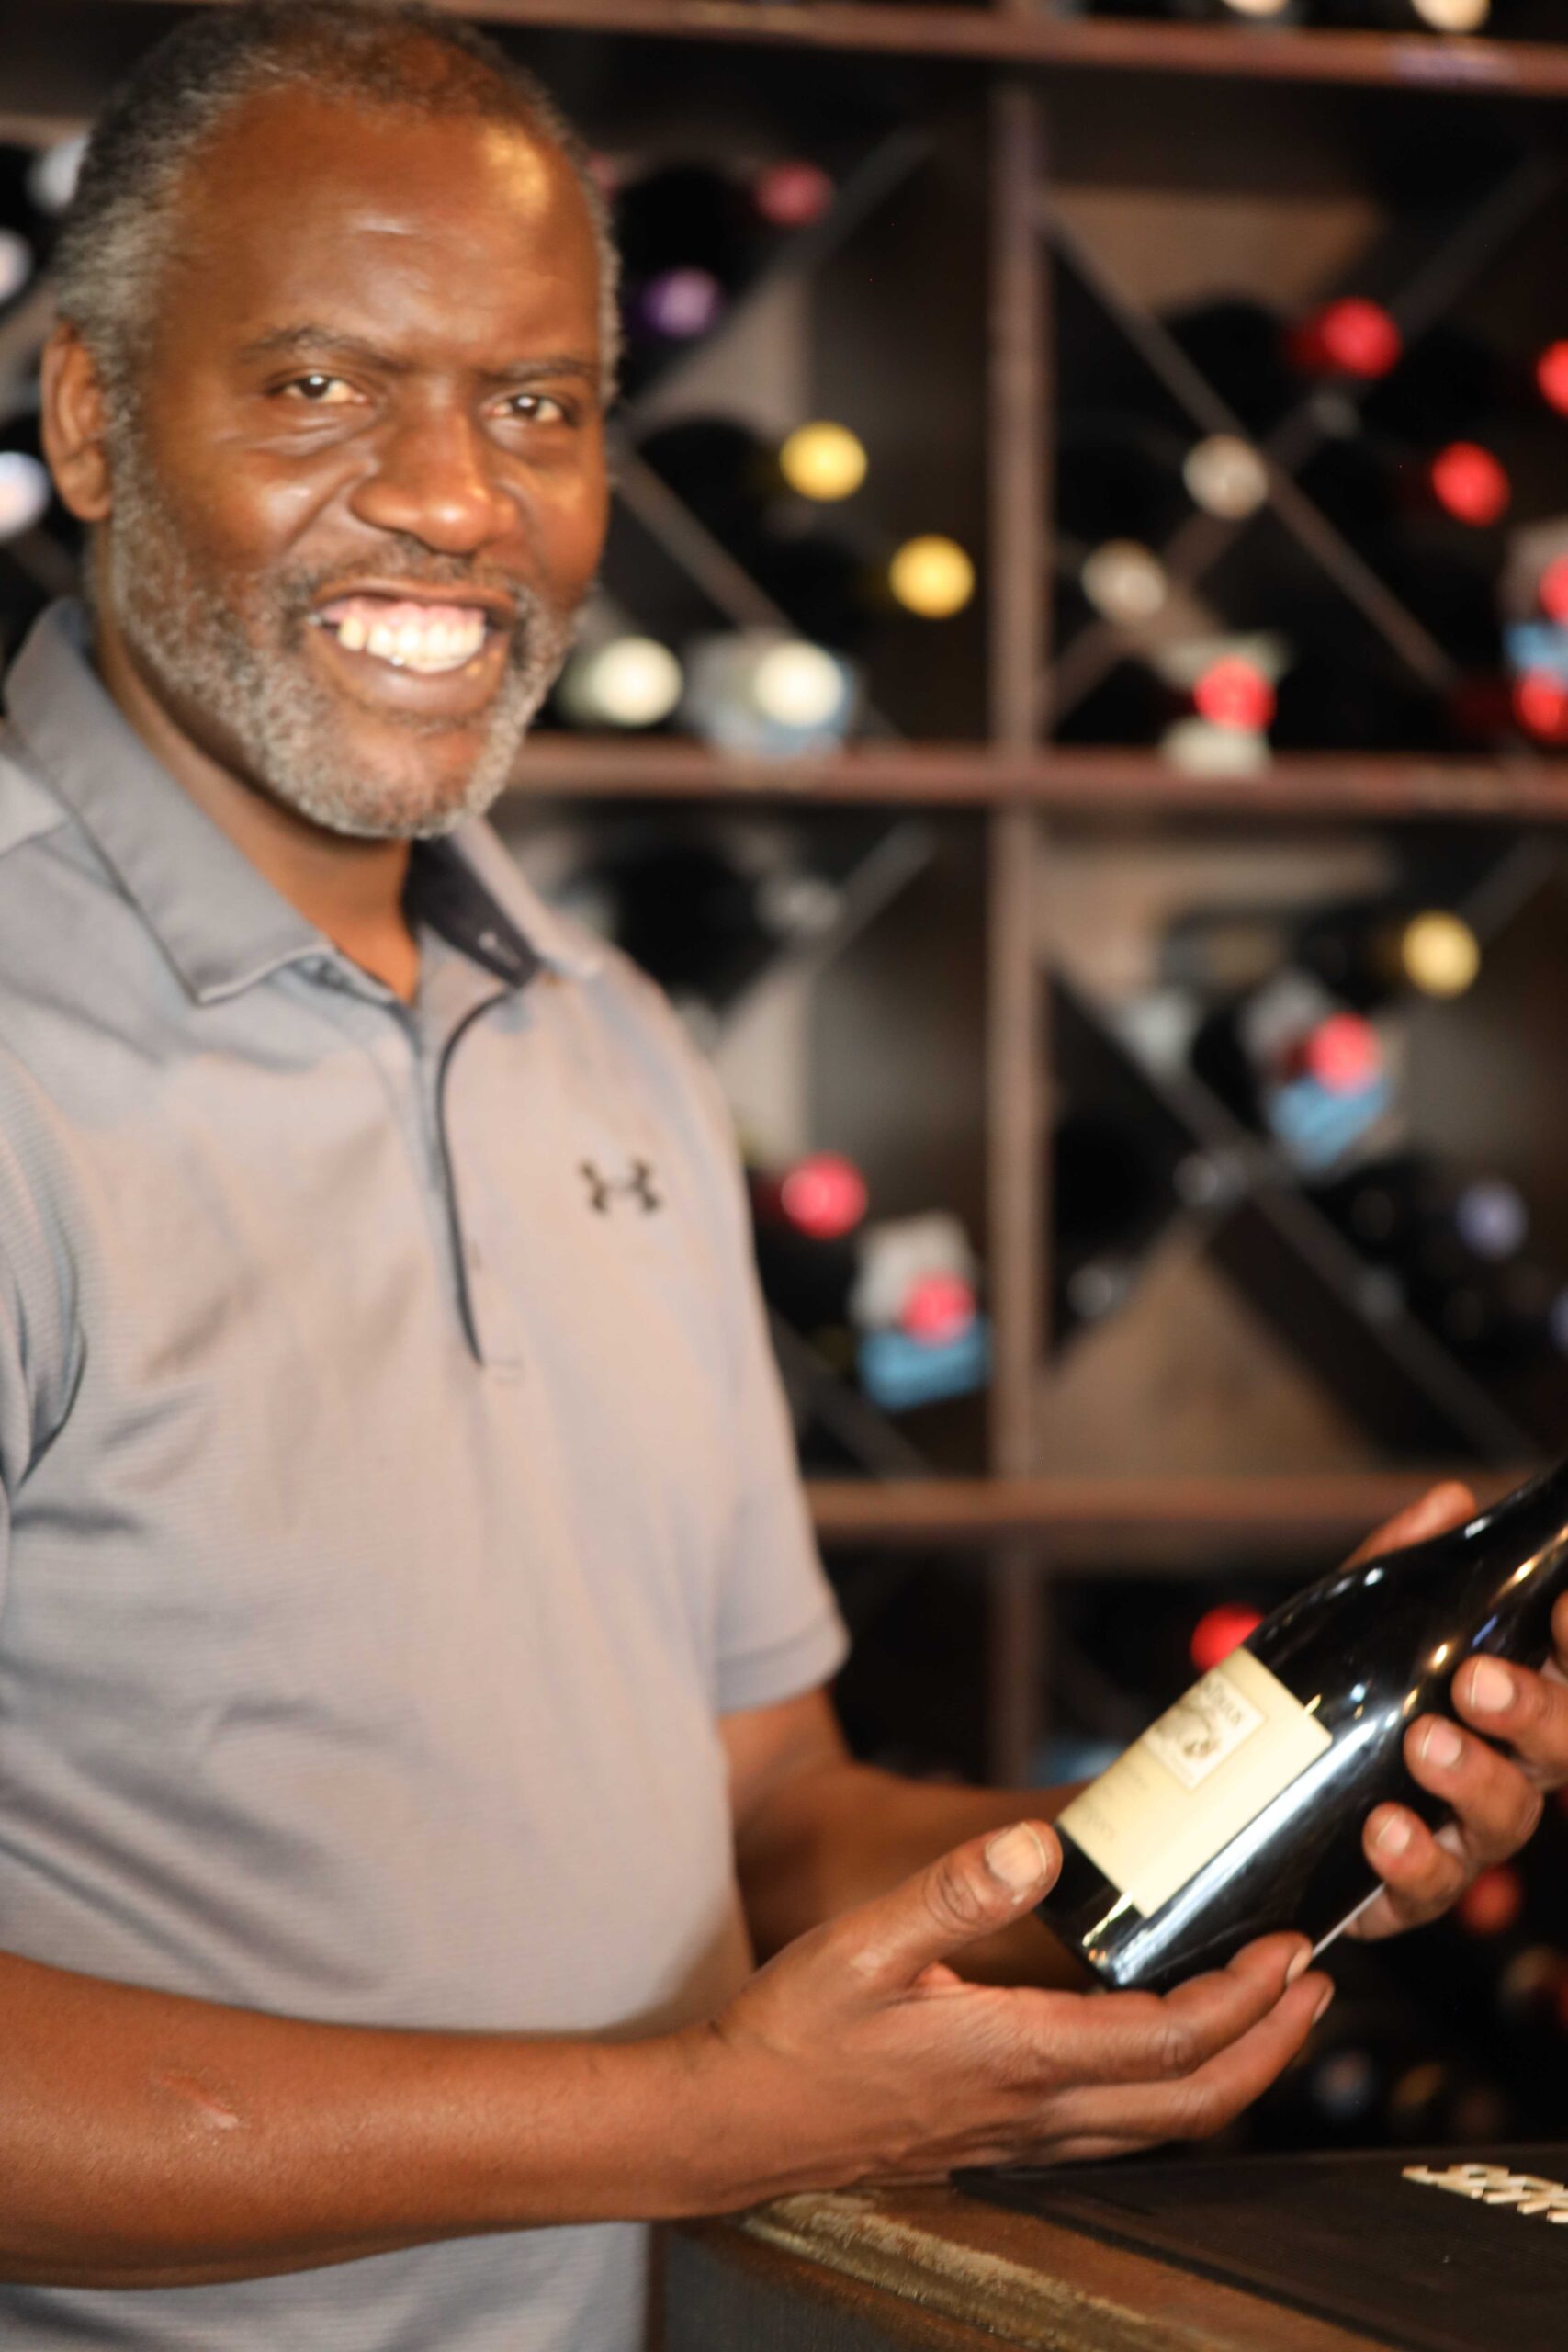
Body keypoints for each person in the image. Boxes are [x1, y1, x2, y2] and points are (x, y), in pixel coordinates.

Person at [1, 5, 1563, 2346]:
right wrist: (695, 2120)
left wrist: (1232, 1835)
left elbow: (765, 1810)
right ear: (92, 421)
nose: (453, 497)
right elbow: (704, 2096)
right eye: (320, 385)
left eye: (535, 403)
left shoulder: (606, 1046)